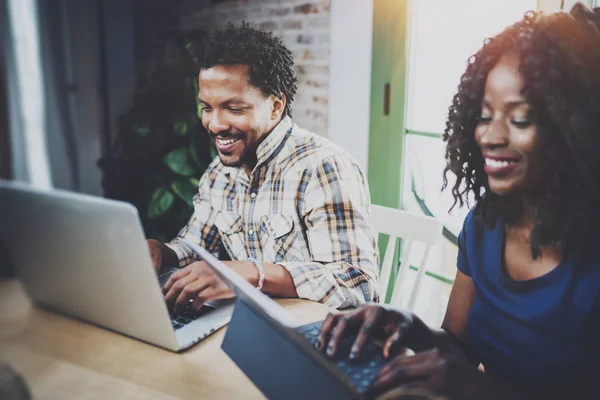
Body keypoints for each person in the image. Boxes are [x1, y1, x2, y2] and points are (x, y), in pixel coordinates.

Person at [316, 4, 600, 399]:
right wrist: (407, 323)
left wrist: (482, 390)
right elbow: (458, 346)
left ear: (577, 128)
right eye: (484, 116)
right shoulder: (485, 224)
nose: (489, 136)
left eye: (520, 119)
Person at [147, 23, 379, 310]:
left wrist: (253, 273)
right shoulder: (219, 174)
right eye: (207, 108)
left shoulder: (324, 167)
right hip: (251, 325)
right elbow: (196, 246)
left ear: (275, 106)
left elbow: (359, 287)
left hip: (315, 336)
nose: (215, 124)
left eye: (234, 108)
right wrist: (162, 252)